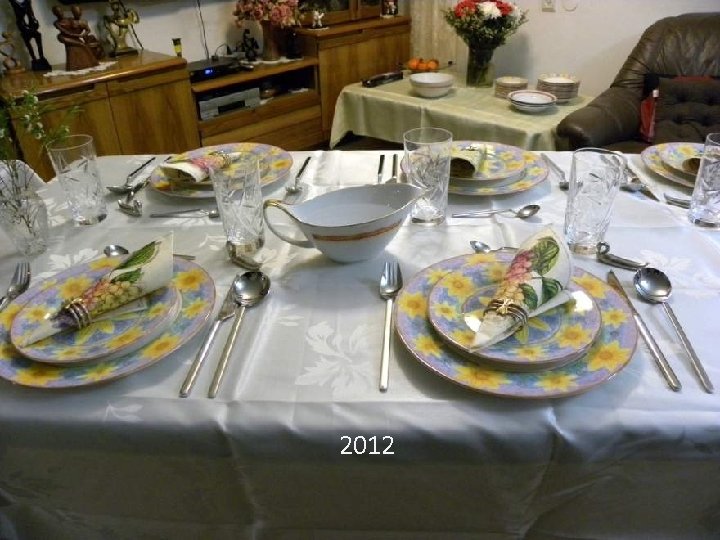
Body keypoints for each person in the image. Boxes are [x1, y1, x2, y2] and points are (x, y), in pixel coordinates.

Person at [53, 5, 102, 71]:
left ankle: (91, 62)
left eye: (61, 11)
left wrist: (82, 33)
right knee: (81, 45)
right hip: (64, 37)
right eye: (57, 12)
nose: (60, 13)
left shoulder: (70, 19)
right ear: (55, 14)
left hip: (74, 37)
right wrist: (77, 35)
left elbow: (81, 28)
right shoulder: (56, 23)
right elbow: (65, 32)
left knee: (83, 46)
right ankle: (76, 65)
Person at [7, 0, 50, 70]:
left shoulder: (27, 3)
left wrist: (34, 20)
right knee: (28, 42)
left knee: (37, 36)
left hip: (31, 25)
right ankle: (34, 58)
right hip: (23, 27)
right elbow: (21, 12)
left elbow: (31, 13)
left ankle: (41, 57)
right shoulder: (15, 4)